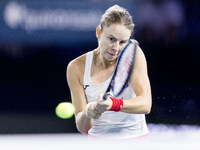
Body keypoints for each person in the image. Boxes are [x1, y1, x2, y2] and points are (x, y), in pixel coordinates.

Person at [67, 5, 152, 140]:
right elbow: (82, 127)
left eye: (122, 42)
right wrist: (89, 112)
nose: (115, 48)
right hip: (98, 142)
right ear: (98, 33)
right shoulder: (76, 67)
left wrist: (113, 104)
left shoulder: (133, 56)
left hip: (136, 141)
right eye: (111, 39)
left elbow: (146, 104)